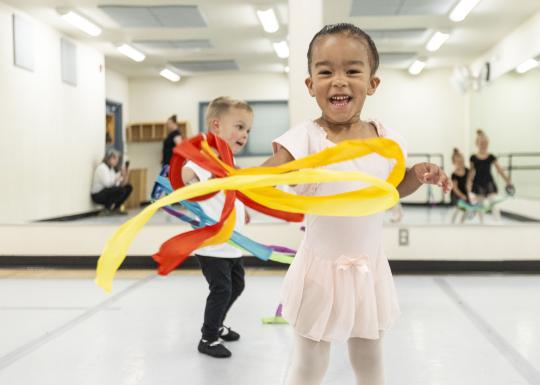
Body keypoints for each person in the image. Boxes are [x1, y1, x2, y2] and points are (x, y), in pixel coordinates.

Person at [261, 23, 451, 385]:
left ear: (372, 83)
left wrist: (419, 174)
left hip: (368, 269)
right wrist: (226, 178)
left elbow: (393, 186)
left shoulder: (386, 139)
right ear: (310, 84)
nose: (339, 81)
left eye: (352, 70)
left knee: (369, 357)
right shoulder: (303, 138)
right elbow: (266, 176)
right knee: (310, 362)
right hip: (319, 271)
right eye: (325, 71)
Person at [181, 97, 253, 358]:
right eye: (240, 126)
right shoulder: (205, 158)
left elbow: (229, 194)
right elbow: (184, 177)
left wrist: (242, 213)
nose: (244, 134)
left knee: (237, 285)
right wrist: (205, 176)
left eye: (247, 130)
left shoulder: (228, 160)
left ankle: (218, 325)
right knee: (221, 289)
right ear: (216, 126)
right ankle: (208, 337)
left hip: (231, 243)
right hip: (212, 244)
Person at [467, 129, 513, 221]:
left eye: (485, 143)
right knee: (480, 206)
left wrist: (507, 180)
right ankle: (482, 224)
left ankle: (498, 223)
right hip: (478, 183)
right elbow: (471, 172)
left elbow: (499, 170)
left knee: (494, 204)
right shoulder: (473, 157)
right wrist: (468, 184)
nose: (484, 145)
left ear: (488, 144)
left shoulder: (491, 157)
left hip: (489, 183)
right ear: (477, 144)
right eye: (481, 143)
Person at [91, 148, 132, 215]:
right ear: (109, 158)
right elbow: (108, 184)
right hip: (97, 195)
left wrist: (125, 175)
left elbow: (119, 185)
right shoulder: (102, 168)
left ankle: (116, 208)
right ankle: (106, 210)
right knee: (120, 190)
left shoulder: (111, 169)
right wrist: (118, 177)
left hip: (106, 192)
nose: (117, 161)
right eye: (114, 158)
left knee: (128, 187)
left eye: (117, 159)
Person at [450, 148, 470, 224]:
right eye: (458, 162)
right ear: (454, 163)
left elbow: (470, 183)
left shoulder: (468, 171)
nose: (460, 163)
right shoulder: (454, 174)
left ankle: (462, 222)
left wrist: (469, 194)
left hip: (466, 193)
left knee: (468, 208)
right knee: (459, 207)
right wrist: (462, 196)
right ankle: (452, 222)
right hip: (457, 195)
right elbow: (455, 188)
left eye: (462, 162)